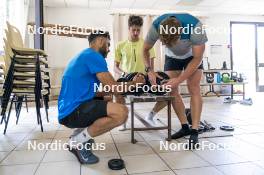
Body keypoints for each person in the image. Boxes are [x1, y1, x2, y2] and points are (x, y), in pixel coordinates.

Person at [58, 31, 145, 164]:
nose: (109, 49)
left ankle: (78, 133)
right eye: (108, 44)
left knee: (107, 99)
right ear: (100, 41)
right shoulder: (94, 56)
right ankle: (78, 141)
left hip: (67, 110)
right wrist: (135, 83)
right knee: (122, 113)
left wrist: (112, 94)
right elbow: (114, 87)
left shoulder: (83, 55)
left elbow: (93, 91)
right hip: (73, 112)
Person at [143, 13, 208, 149]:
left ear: (180, 34)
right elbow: (145, 50)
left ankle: (194, 131)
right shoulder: (156, 26)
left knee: (194, 87)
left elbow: (198, 58)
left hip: (192, 56)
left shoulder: (195, 27)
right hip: (172, 57)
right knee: (171, 90)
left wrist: (179, 79)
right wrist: (149, 70)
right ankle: (185, 126)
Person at [114, 15, 156, 127]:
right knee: (116, 91)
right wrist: (124, 74)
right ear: (129, 29)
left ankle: (151, 115)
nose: (136, 32)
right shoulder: (120, 45)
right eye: (134, 30)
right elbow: (115, 67)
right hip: (128, 80)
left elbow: (151, 67)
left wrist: (150, 78)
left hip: (144, 80)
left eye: (138, 30)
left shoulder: (147, 45)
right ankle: (122, 121)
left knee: (169, 90)